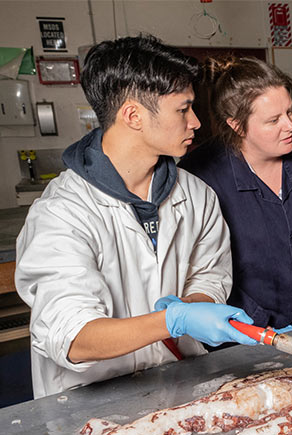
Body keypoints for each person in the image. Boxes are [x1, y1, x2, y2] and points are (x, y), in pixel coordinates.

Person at [15, 35, 257, 399]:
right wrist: (172, 321)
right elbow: (75, 337)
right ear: (133, 115)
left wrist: (192, 308)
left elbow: (210, 276)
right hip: (90, 401)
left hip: (179, 384)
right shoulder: (62, 212)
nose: (196, 122)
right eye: (183, 109)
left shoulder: (196, 195)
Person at [179, 58, 292, 333]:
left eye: (289, 112)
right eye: (273, 120)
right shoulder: (200, 177)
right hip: (237, 336)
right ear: (236, 125)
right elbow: (201, 271)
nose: (290, 125)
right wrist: (257, 326)